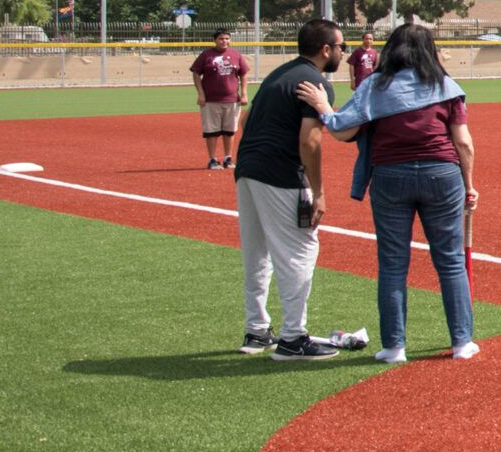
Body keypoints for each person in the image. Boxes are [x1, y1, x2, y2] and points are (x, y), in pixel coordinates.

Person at [296, 22, 478, 363]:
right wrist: (469, 186)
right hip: (442, 175)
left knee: (393, 263)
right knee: (450, 261)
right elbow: (463, 142)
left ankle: (394, 346)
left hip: (390, 175)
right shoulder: (445, 85)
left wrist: (323, 106)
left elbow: (341, 129)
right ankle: (461, 342)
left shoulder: (375, 85)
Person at [234, 19, 346, 360]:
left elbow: (244, 120)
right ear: (326, 50)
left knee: (257, 252)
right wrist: (319, 192)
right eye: (341, 46)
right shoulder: (315, 84)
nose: (343, 52)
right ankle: (293, 339)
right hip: (281, 173)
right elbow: (310, 141)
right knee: (300, 251)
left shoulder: (277, 75)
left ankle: (257, 330)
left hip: (248, 168)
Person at [190, 28, 250, 170]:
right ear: (215, 40)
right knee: (211, 131)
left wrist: (244, 93)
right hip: (211, 99)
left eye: (227, 38)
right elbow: (196, 73)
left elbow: (243, 74)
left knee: (229, 131)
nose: (224, 41)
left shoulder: (236, 55)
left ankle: (228, 158)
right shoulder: (207, 55)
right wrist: (200, 93)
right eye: (221, 39)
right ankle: (212, 159)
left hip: (231, 99)